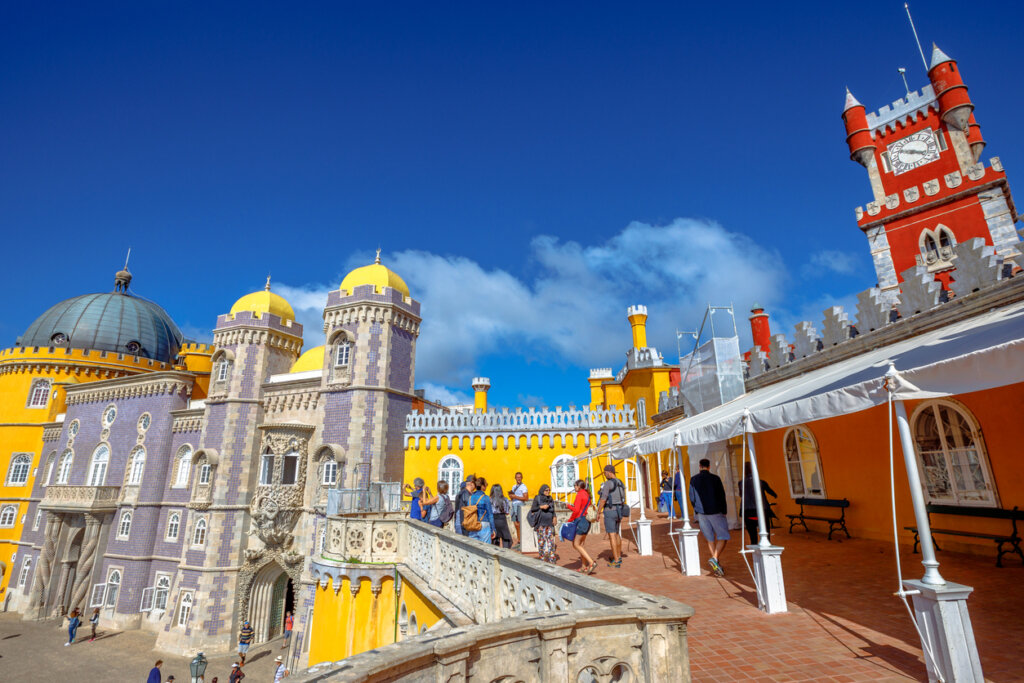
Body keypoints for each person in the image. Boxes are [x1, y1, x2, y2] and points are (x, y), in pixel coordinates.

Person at [689, 458, 729, 576]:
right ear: (709, 466)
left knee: (709, 538)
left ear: (700, 466)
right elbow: (722, 495)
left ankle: (715, 562)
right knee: (723, 536)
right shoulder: (715, 479)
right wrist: (724, 510)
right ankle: (715, 558)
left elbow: (692, 497)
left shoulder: (694, 479)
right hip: (716, 511)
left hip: (701, 513)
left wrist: (696, 509)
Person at [595, 464, 628, 568]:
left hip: (610, 511)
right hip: (619, 511)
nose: (605, 475)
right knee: (617, 534)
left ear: (609, 472)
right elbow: (623, 497)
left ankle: (616, 560)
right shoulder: (620, 482)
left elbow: (603, 499)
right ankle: (618, 555)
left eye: (605, 473)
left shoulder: (608, 484)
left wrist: (598, 512)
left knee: (612, 535)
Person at [739, 462, 779, 545]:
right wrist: (775, 495)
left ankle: (755, 548)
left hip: (748, 511)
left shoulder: (741, 483)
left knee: (752, 535)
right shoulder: (761, 482)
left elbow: (741, 495)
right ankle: (767, 546)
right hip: (762, 511)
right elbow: (771, 492)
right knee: (766, 531)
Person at [567, 479, 595, 573]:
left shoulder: (579, 495)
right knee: (581, 544)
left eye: (575, 486)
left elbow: (576, 510)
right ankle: (583, 566)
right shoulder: (587, 494)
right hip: (587, 521)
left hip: (581, 520)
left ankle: (591, 562)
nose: (574, 487)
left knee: (576, 544)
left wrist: (569, 508)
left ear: (579, 486)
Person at [528, 484, 557, 563]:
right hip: (540, 524)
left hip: (549, 524)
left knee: (551, 542)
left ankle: (552, 559)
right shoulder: (537, 498)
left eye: (549, 490)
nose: (548, 492)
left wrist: (554, 517)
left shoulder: (550, 498)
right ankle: (542, 559)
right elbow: (533, 509)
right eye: (546, 490)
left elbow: (553, 509)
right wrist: (541, 507)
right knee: (542, 543)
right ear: (542, 490)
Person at [468, 477, 494, 543]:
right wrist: (493, 529)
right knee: (485, 548)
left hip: (472, 524)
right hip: (483, 523)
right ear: (482, 486)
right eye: (486, 485)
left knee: (473, 547)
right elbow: (490, 514)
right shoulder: (485, 498)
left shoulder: (470, 497)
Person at [509, 472, 529, 547]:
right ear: (515, 478)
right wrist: (511, 496)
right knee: (515, 524)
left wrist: (515, 496)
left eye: (520, 477)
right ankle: (519, 540)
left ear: (522, 478)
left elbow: (526, 498)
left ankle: (522, 541)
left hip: (520, 505)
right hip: (513, 505)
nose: (518, 478)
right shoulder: (513, 487)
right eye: (517, 477)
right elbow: (513, 497)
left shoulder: (524, 487)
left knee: (520, 524)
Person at [490, 484, 513, 548]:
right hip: (502, 519)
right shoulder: (505, 500)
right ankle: (506, 553)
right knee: (506, 538)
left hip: (494, 519)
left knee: (494, 538)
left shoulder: (490, 500)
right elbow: (507, 512)